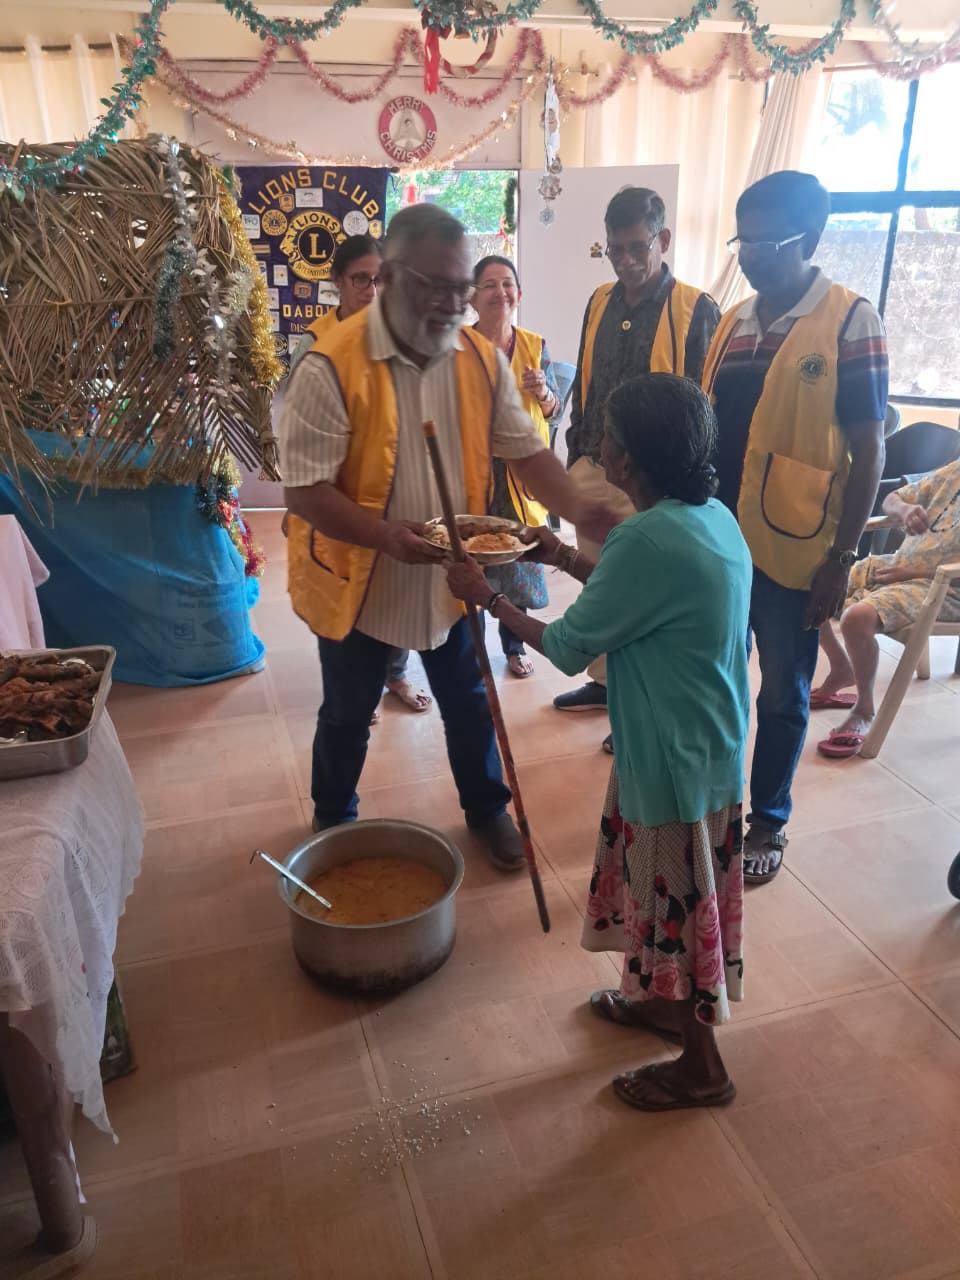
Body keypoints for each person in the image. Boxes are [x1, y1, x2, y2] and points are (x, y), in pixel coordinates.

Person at [446, 374, 751, 1110]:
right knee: (667, 891)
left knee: (676, 906)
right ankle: (659, 1006)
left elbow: (567, 645)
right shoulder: (710, 518)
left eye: (606, 437)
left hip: (673, 756)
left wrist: (489, 597)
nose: (599, 446)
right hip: (700, 742)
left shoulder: (645, 537)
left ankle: (702, 1067)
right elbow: (636, 599)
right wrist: (558, 556)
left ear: (626, 460)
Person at [279, 203, 616, 871]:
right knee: (348, 710)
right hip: (359, 578)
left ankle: (487, 809)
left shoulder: (477, 361)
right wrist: (384, 535)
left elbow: (527, 453)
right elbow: (305, 492)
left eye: (458, 288)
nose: (449, 303)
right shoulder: (329, 364)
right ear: (390, 277)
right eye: (432, 285)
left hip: (451, 575)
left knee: (468, 698)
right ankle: (334, 817)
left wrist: (579, 507)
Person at [703, 170, 887, 884]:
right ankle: (714, 806)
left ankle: (769, 820)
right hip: (717, 541)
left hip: (795, 545)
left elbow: (870, 446)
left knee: (782, 692)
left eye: (767, 242)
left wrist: (842, 558)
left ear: (810, 238)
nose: (750, 255)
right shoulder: (733, 322)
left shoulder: (849, 320)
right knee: (716, 681)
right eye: (742, 241)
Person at [555, 186, 720, 755]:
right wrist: (577, 449)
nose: (624, 261)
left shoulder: (695, 308)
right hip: (594, 463)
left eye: (636, 247)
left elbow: (702, 407)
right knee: (601, 583)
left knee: (644, 595)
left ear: (662, 239)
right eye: (615, 249)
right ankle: (605, 684)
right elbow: (585, 381)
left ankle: (635, 706)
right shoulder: (599, 300)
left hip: (652, 482)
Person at [288, 234, 431, 718]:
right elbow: (298, 439)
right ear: (337, 283)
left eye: (381, 279)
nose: (372, 290)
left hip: (396, 505)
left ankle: (395, 675)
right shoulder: (315, 345)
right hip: (337, 512)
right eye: (360, 280)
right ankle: (353, 696)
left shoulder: (405, 339)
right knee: (343, 607)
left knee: (396, 595)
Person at [813, 458, 960, 757]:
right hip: (897, 566)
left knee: (857, 618)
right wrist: (905, 511)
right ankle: (841, 667)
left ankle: (864, 709)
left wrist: (911, 574)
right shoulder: (954, 472)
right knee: (809, 585)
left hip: (945, 588)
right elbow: (892, 498)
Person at [471, 254, 562, 678]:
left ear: (519, 294)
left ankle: (513, 646)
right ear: (473, 298)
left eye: (507, 283)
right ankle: (471, 649)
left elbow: (554, 412)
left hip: (520, 477)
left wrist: (543, 391)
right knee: (471, 560)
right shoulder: (458, 347)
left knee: (517, 558)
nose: (499, 292)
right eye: (489, 284)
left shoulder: (534, 346)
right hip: (472, 472)